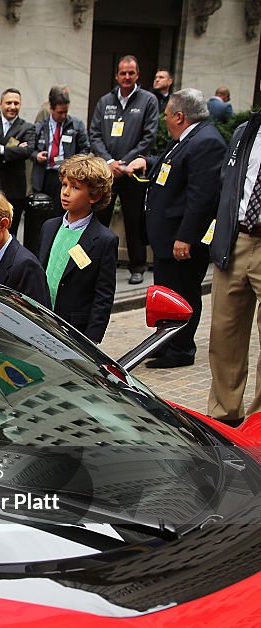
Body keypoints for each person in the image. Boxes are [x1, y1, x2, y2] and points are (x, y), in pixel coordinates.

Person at [125, 89, 225, 368]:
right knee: (168, 293)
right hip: (167, 238)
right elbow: (174, 167)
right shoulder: (187, 138)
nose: (164, 119)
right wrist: (148, 161)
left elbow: (201, 197)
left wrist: (186, 237)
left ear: (180, 116)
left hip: (181, 242)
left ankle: (180, 350)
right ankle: (166, 342)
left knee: (183, 294)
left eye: (167, 114)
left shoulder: (206, 141)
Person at [207, 90, 261, 426]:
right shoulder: (246, 131)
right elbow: (228, 187)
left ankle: (259, 426)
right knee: (224, 337)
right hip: (237, 240)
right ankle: (224, 419)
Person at [89, 54, 159, 285]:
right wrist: (110, 163)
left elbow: (148, 137)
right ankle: (93, 263)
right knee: (100, 217)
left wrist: (125, 163)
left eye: (131, 73)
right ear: (116, 75)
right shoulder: (104, 101)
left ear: (137, 75)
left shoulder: (148, 100)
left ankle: (137, 266)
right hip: (107, 172)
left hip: (133, 173)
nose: (126, 77)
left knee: (133, 220)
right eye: (122, 73)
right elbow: (95, 135)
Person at [37, 155, 118, 344]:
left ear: (94, 196)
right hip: (42, 321)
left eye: (75, 188)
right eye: (64, 185)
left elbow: (103, 295)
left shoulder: (104, 240)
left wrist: (92, 340)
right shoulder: (49, 227)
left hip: (75, 329)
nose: (65, 192)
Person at [32, 87, 91, 222]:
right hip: (45, 176)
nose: (64, 116)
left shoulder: (76, 125)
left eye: (66, 111)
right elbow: (30, 149)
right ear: (51, 109)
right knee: (44, 217)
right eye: (60, 112)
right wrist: (36, 156)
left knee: (62, 215)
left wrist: (74, 164)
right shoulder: (40, 126)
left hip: (67, 176)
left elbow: (85, 148)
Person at [0, 88, 36, 235]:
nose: (12, 107)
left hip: (15, 189)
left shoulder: (27, 127)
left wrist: (0, 149)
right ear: (0, 104)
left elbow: (28, 151)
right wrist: (15, 150)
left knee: (11, 232)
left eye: (16, 103)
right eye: (9, 103)